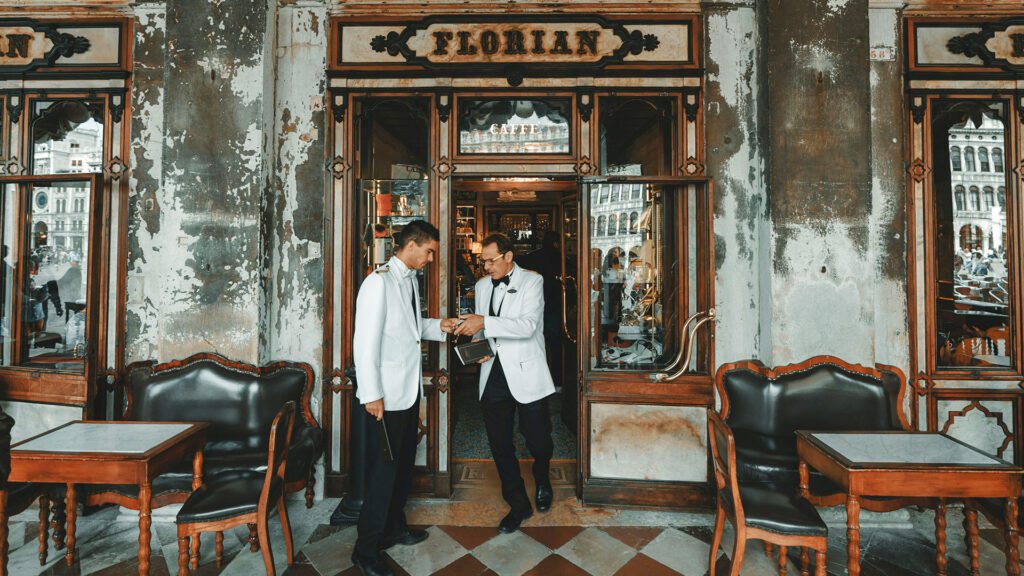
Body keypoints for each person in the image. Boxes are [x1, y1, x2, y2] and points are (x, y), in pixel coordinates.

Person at [351, 220, 458, 576]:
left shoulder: (410, 281)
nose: (431, 259)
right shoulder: (377, 283)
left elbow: (411, 329)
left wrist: (439, 326)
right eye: (429, 251)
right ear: (411, 245)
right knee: (383, 475)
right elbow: (364, 344)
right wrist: (372, 395)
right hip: (384, 397)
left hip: (408, 393)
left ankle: (394, 529)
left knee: (401, 470)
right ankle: (365, 551)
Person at [453, 233, 556, 533]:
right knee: (499, 443)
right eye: (482, 261)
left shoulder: (533, 281)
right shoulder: (482, 286)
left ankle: (543, 477)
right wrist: (478, 344)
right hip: (493, 375)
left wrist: (484, 322)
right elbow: (483, 331)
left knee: (538, 438)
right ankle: (517, 503)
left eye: (491, 261)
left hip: (526, 372)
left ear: (509, 256)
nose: (485, 267)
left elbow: (528, 326)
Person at [517, 231, 563, 391]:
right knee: (556, 346)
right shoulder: (561, 259)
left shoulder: (531, 257)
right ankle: (557, 382)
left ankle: (533, 381)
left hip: (532, 306)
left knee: (533, 344)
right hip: (553, 306)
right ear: (556, 243)